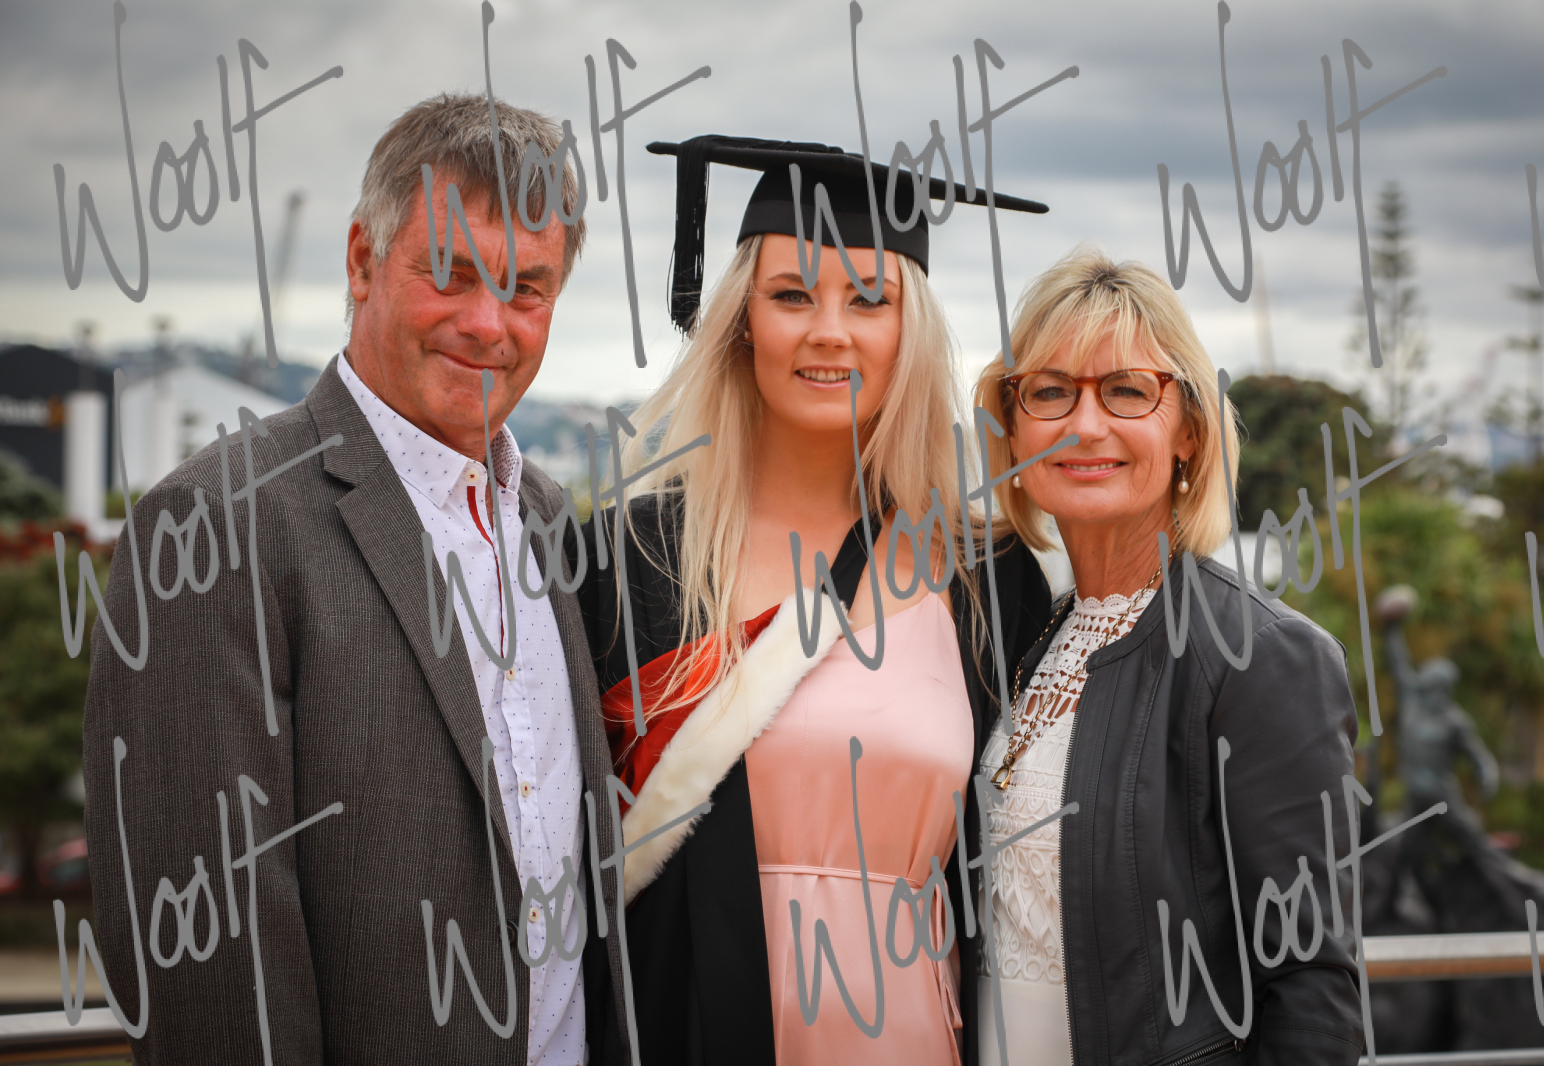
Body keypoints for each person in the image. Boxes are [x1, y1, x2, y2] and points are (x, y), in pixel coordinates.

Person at [82, 94, 629, 1064]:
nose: (488, 324)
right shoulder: (216, 525)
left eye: (526, 288)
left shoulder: (546, 520)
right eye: (449, 273)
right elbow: (209, 961)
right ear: (362, 260)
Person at [571, 136, 1052, 1066]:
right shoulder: (631, 561)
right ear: (741, 321)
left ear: (910, 330)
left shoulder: (986, 576)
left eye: (870, 299)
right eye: (792, 295)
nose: (830, 330)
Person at [970, 249, 1363, 1065]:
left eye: (1126, 390)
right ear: (1013, 428)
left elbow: (1311, 990)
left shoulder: (1259, 655)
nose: (1085, 424)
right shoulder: (1023, 635)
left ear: (1188, 429)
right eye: (1050, 391)